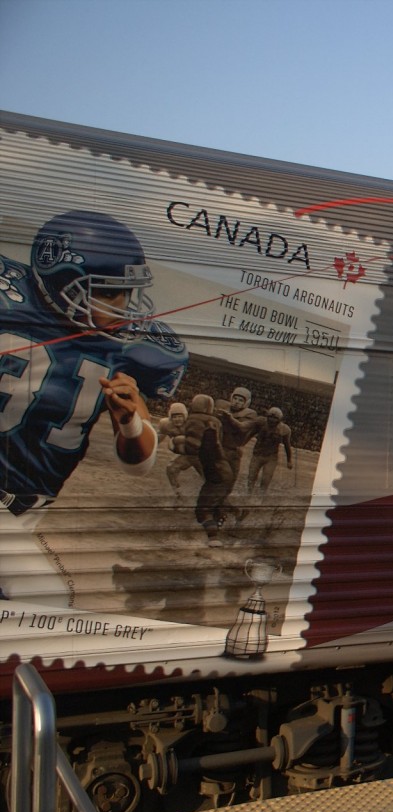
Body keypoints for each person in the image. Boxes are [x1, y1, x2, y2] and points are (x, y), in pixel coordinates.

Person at [0, 211, 187, 597]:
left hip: (23, 517)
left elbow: (141, 465)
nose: (124, 305)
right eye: (106, 291)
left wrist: (132, 423)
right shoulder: (9, 306)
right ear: (61, 280)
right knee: (46, 601)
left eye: (126, 292)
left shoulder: (128, 350)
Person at [175, 394, 241, 547]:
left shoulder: (196, 419)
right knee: (215, 503)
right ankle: (234, 514)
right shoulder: (215, 421)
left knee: (203, 509)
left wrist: (177, 446)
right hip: (223, 469)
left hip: (216, 472)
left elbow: (193, 446)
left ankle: (214, 538)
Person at [246, 406, 293, 495]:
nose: (272, 420)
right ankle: (248, 494)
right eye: (270, 417)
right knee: (251, 476)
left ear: (279, 420)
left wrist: (289, 460)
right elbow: (251, 434)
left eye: (275, 418)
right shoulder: (261, 423)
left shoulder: (283, 429)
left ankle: (261, 497)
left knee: (266, 478)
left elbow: (287, 446)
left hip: (271, 457)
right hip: (257, 454)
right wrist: (242, 443)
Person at [218, 386, 258, 485]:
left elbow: (243, 428)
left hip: (233, 449)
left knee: (230, 478)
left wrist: (230, 418)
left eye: (240, 400)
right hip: (218, 446)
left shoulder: (250, 414)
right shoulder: (224, 408)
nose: (236, 402)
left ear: (246, 403)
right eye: (235, 398)